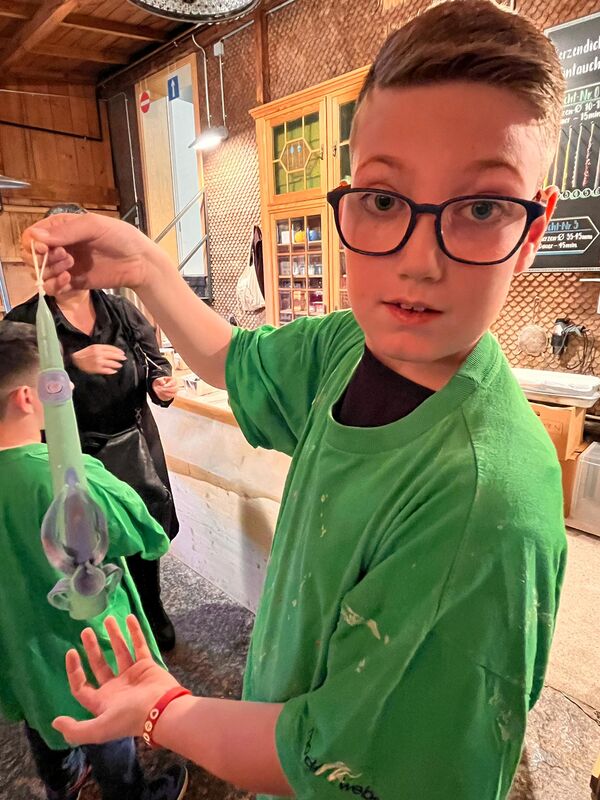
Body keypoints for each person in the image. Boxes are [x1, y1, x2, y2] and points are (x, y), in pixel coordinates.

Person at [23, 2, 568, 798]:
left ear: (533, 230)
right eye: (384, 199)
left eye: (482, 208)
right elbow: (228, 357)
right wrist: (143, 263)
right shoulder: (350, 344)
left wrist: (164, 710)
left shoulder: (483, 504)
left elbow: (339, 761)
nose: (419, 263)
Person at [0, 321, 188, 800]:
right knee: (105, 717)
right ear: (28, 397)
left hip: (18, 640)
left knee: (42, 709)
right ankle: (128, 793)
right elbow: (146, 534)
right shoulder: (71, 476)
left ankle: (64, 782)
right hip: (86, 639)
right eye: (56, 383)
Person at [7, 204, 180, 652]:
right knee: (81, 550)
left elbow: (153, 361)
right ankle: (97, 631)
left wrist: (161, 384)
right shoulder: (24, 321)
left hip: (132, 446)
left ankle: (152, 612)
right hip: (69, 454)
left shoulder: (121, 311)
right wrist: (70, 364)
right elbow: (14, 391)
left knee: (139, 537)